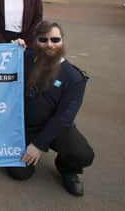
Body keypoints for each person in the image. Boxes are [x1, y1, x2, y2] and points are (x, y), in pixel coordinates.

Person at [8, 21, 94, 197]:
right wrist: (11, 48)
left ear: (63, 41)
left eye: (55, 40)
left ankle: (68, 169)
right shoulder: (24, 58)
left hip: (55, 127)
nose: (50, 44)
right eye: (43, 40)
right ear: (35, 41)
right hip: (24, 127)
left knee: (82, 154)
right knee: (19, 173)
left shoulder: (74, 77)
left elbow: (65, 117)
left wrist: (39, 145)